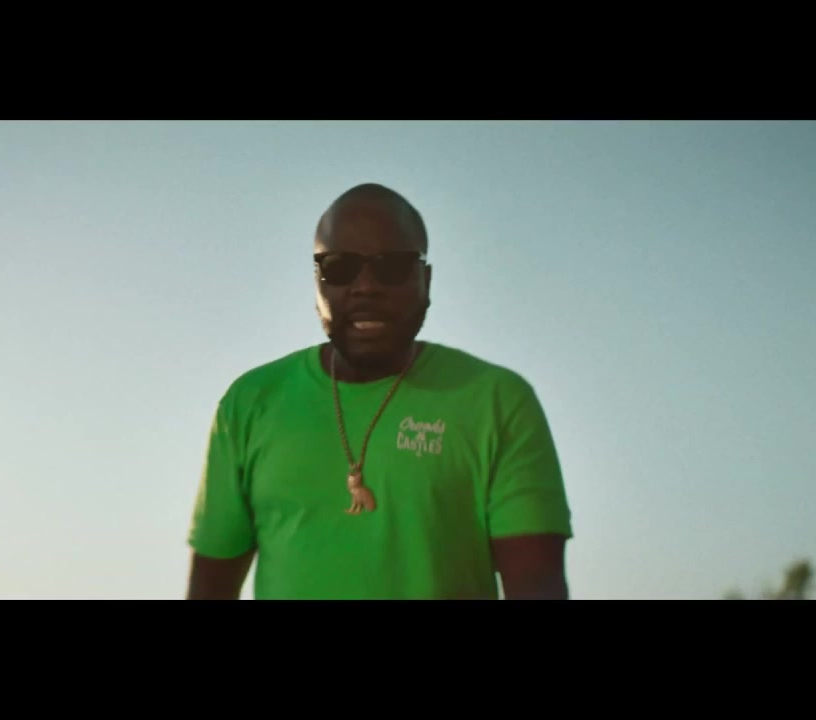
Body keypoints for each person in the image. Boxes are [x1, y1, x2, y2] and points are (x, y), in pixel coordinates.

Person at [185, 182, 573, 600]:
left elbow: (537, 586)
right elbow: (209, 588)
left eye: (393, 266)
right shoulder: (250, 403)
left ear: (426, 280)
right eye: (339, 266)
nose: (366, 286)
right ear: (317, 282)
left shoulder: (497, 402)